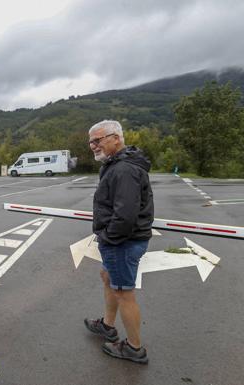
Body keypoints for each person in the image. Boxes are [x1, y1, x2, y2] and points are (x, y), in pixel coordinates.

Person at [84, 120, 154, 364]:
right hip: (120, 241)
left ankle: (135, 348)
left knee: (124, 292)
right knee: (108, 277)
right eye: (91, 141)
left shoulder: (123, 169)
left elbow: (125, 214)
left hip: (122, 241)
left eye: (98, 140)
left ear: (116, 138)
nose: (93, 145)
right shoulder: (115, 164)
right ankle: (107, 325)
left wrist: (107, 238)